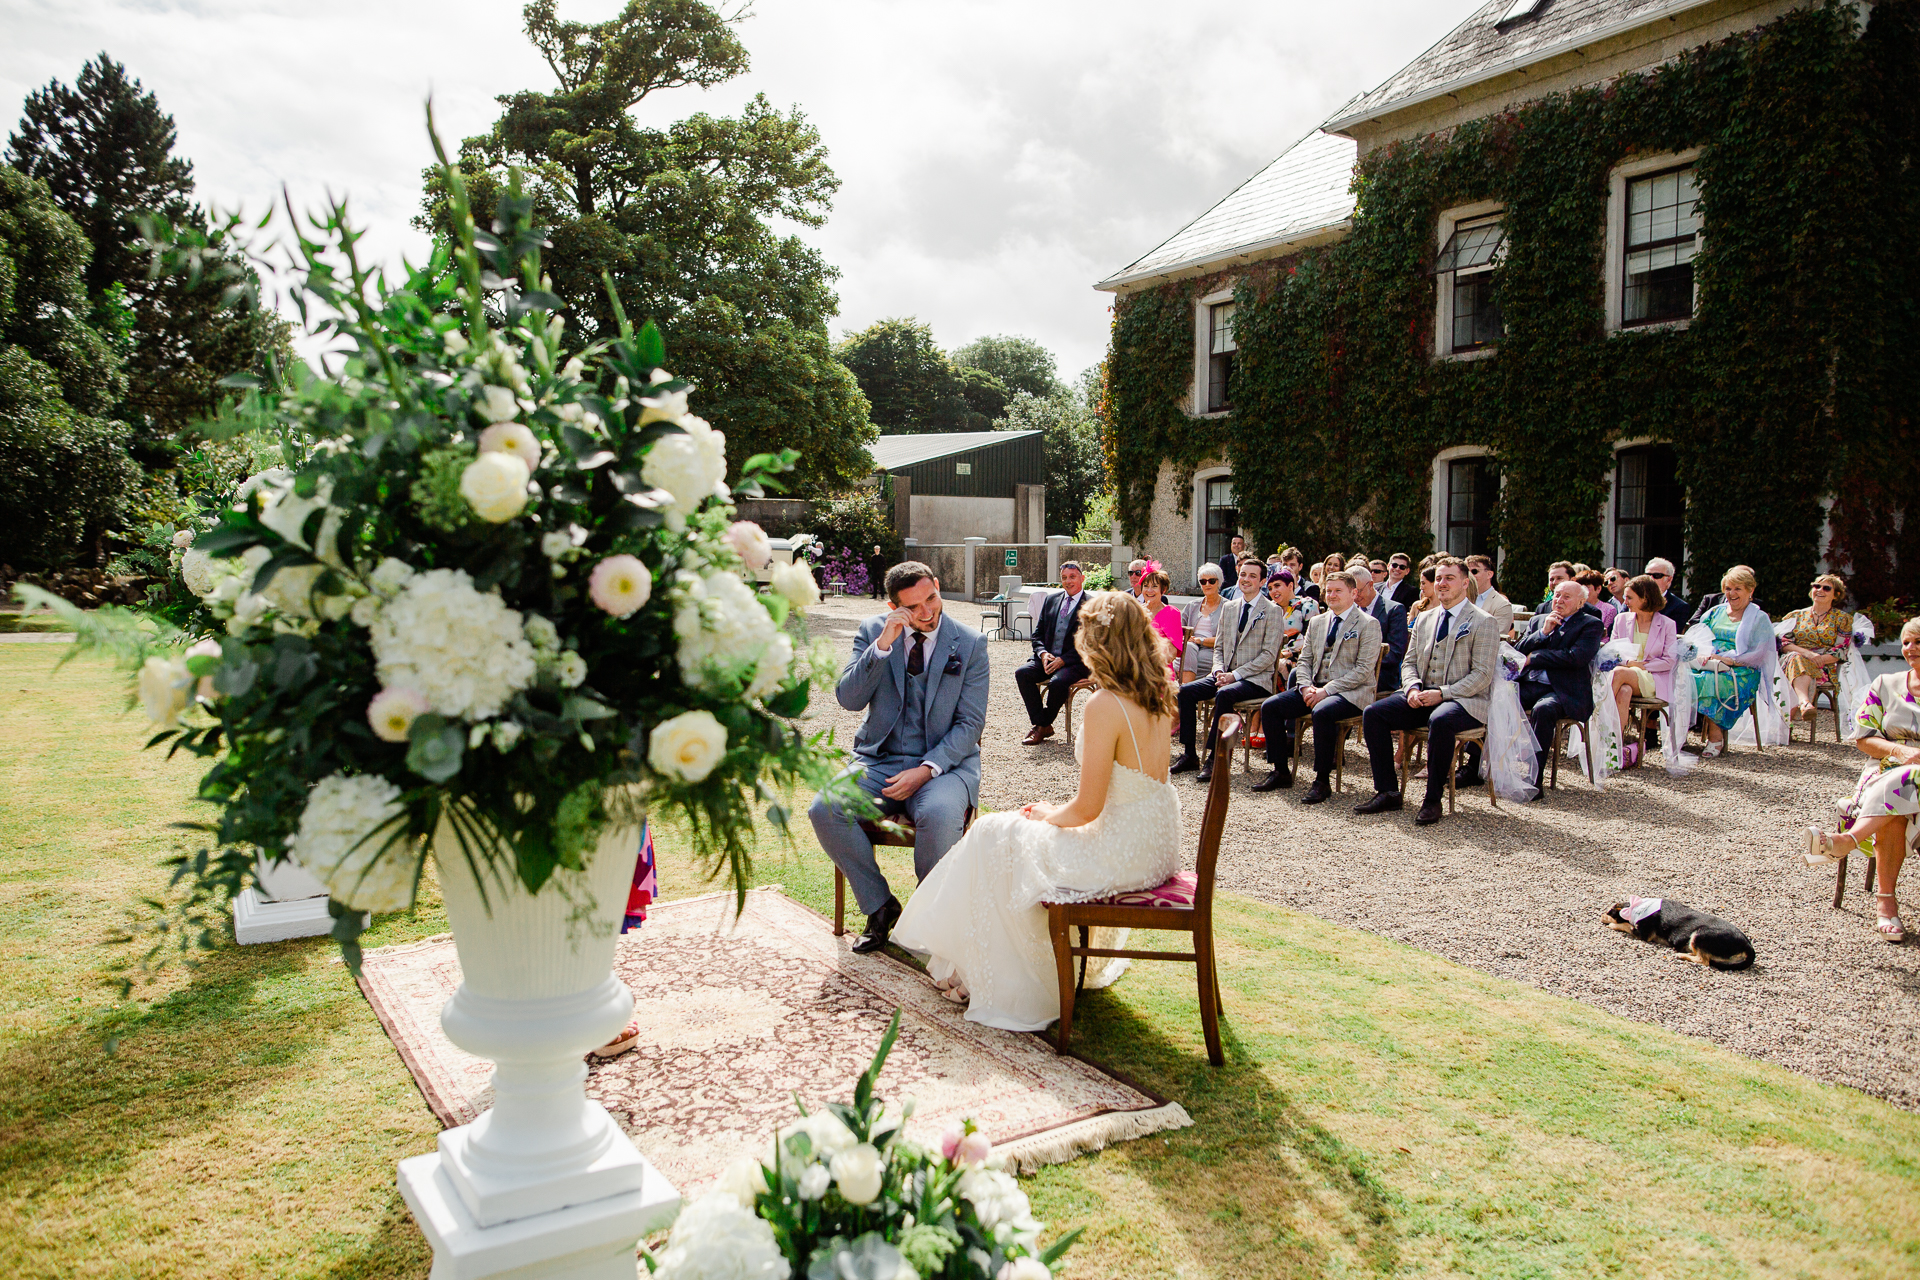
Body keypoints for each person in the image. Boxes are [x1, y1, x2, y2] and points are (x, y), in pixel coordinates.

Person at [892, 592, 1182, 1027]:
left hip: (1122, 848)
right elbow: (1119, 794)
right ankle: (974, 968)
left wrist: (1047, 815)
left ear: (1097, 642)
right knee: (1003, 833)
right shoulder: (1158, 692)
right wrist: (1051, 813)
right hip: (1154, 844)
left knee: (995, 834)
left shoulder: (1106, 704)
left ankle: (987, 976)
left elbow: (1086, 808)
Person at [808, 562, 990, 953]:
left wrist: (925, 771)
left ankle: (931, 917)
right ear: (894, 607)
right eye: (914, 607)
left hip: (944, 767)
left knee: (939, 815)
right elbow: (848, 700)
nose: (927, 612)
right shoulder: (874, 632)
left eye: (932, 598)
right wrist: (884, 645)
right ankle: (880, 907)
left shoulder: (971, 643)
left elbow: (970, 725)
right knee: (824, 807)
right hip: (879, 761)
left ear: (938, 586)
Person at [1356, 557, 1500, 825]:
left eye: (1449, 578)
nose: (1442, 584)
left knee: (1441, 720)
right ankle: (1388, 791)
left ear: (1465, 583)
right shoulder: (1424, 618)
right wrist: (1411, 688)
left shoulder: (1484, 621)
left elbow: (1482, 675)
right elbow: (1408, 662)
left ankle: (1432, 799)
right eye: (1438, 579)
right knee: (1374, 713)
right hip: (1422, 696)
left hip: (1465, 701)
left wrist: (1442, 693)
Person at [1804, 616, 1920, 943]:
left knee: (1908, 780)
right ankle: (1886, 904)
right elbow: (1864, 738)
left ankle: (1846, 841)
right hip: (1887, 768)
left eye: (1918, 642)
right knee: (1894, 809)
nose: (1911, 649)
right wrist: (1899, 751)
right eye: (1907, 641)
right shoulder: (1885, 684)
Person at [1253, 570, 1382, 799]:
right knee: (1271, 706)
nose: (1331, 595)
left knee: (1322, 711)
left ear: (1353, 593)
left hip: (1350, 693)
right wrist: (1304, 687)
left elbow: (1363, 671)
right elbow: (1305, 660)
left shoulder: (1368, 624)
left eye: (1337, 591)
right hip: (1314, 688)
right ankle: (1280, 770)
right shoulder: (1318, 622)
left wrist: (1326, 691)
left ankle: (1322, 780)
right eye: (1328, 591)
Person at [1174, 557, 1279, 782]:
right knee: (1186, 691)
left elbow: (1269, 656)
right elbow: (1219, 646)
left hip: (1255, 680)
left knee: (1224, 693)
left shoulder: (1272, 611)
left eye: (1253, 576)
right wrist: (1218, 670)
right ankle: (1190, 754)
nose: (1246, 579)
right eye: (1243, 574)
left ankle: (1215, 758)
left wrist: (1235, 675)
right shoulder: (1230, 608)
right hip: (1225, 674)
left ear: (1262, 581)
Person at [1504, 580, 1605, 793]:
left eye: (1566, 597)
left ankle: (1534, 779)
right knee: (1498, 696)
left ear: (1580, 602)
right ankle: (1475, 765)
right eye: (1556, 595)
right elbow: (1519, 652)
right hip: (1531, 683)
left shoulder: (1590, 624)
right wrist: (1542, 632)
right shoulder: (1540, 620)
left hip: (1563, 690)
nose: (1558, 600)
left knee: (1544, 709)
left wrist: (1537, 657)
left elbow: (1576, 657)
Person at [1689, 564, 1781, 757]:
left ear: (1750, 591)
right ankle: (1678, 734)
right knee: (1682, 677)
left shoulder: (1759, 618)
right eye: (1728, 588)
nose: (1731, 593)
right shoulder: (1714, 612)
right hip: (1711, 661)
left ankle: (1715, 737)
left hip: (1742, 669)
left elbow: (1760, 653)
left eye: (1737, 589)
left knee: (1710, 680)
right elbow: (1697, 636)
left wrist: (1729, 661)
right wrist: (1704, 651)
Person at [1604, 574, 1679, 767]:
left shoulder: (1668, 624)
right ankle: (1613, 750)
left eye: (1630, 598)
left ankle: (1599, 721)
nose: (1625, 601)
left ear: (1644, 598)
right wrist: (1628, 662)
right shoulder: (1621, 620)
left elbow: (1669, 661)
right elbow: (1613, 651)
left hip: (1654, 678)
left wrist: (1641, 666)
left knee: (1619, 674)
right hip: (1626, 676)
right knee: (1624, 691)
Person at [1015, 562, 1089, 745]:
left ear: (1082, 578)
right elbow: (1037, 634)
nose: (1068, 581)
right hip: (1047, 658)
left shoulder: (1092, 605)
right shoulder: (1051, 600)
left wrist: (1064, 660)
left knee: (1058, 683)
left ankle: (1042, 726)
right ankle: (1043, 724)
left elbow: (1092, 643)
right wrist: (1042, 653)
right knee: (1022, 673)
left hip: (1075, 662)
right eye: (1064, 578)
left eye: (1072, 576)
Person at [1778, 573, 1855, 722]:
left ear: (1836, 595)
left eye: (1826, 588)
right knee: (1796, 658)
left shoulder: (1842, 619)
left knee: (1798, 662)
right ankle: (1804, 703)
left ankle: (1796, 713)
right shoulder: (1795, 616)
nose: (1819, 590)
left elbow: (1841, 649)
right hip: (1792, 659)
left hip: (1823, 666)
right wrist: (1808, 654)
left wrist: (1818, 659)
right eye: (1816, 586)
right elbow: (1784, 643)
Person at [1351, 564, 1409, 696]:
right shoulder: (1350, 611)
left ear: (1370, 585)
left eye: (1359, 591)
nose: (1355, 596)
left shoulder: (1394, 610)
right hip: (1348, 673)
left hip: (1379, 675)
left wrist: (1361, 664)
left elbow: (1394, 654)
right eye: (1352, 592)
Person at [1180, 564, 1227, 682]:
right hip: (1190, 647)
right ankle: (1188, 690)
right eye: (1203, 581)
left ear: (1219, 582)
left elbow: (1227, 639)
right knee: (1188, 649)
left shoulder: (1228, 607)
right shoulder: (1192, 606)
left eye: (1211, 581)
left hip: (1214, 651)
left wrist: (1200, 640)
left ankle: (1185, 689)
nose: (1207, 585)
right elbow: (1178, 629)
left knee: (1181, 663)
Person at [1139, 569, 1184, 681]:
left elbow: (1171, 652)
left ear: (1163, 590)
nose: (1149, 590)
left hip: (1158, 671)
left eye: (1154, 586)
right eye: (1145, 586)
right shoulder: (1136, 611)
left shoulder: (1171, 613)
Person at [1465, 554, 1514, 637]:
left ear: (1489, 574)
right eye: (1466, 572)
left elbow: (1496, 638)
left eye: (1474, 572)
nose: (1470, 576)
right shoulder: (1458, 599)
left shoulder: (1502, 604)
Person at [1645, 557, 1691, 629]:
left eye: (1657, 575)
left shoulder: (1679, 606)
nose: (1650, 579)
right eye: (1647, 575)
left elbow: (1671, 634)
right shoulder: (1633, 599)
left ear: (1669, 579)